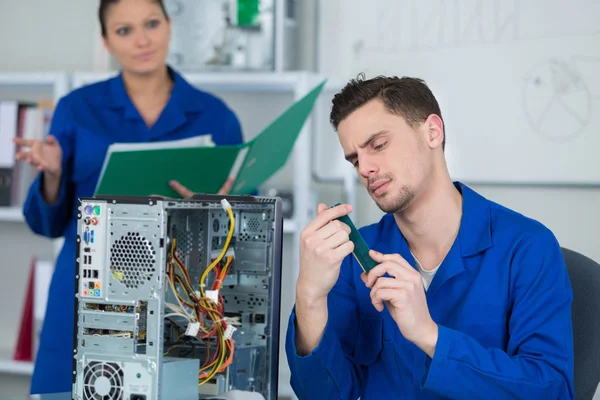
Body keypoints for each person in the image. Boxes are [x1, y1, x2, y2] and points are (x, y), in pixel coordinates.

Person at [285, 74, 575, 399]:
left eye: (378, 145)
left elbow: (551, 390)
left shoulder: (527, 248)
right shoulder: (353, 257)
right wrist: (309, 295)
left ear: (432, 132)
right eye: (354, 160)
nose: (365, 168)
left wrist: (429, 334)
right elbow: (324, 395)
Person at [13, 0, 244, 394]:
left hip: (179, 293)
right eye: (124, 30)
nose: (142, 40)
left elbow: (240, 223)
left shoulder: (216, 115)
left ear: (169, 26)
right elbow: (47, 222)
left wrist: (214, 202)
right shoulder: (75, 109)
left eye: (151, 23)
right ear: (106, 41)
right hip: (88, 292)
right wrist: (52, 174)